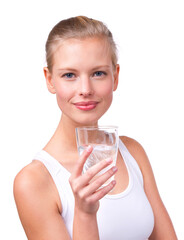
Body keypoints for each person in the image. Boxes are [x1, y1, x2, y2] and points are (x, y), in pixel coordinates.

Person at [13, 16, 177, 240]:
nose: (85, 89)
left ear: (115, 76)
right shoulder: (34, 181)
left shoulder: (132, 152)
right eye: (69, 75)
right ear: (50, 80)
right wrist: (84, 213)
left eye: (98, 73)